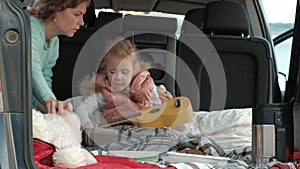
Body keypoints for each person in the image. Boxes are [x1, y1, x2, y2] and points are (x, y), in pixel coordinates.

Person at [75, 37, 173, 128]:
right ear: (105, 71)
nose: (118, 77)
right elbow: (82, 108)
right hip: (117, 131)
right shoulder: (105, 92)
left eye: (125, 72)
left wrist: (166, 104)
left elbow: (159, 112)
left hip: (144, 128)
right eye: (112, 72)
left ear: (134, 70)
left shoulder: (146, 87)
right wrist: (87, 125)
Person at [28, 0, 90, 114]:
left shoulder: (54, 42)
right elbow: (31, 66)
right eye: (77, 14)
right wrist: (48, 99)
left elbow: (45, 77)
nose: (81, 22)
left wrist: (49, 107)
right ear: (56, 10)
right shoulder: (29, 28)